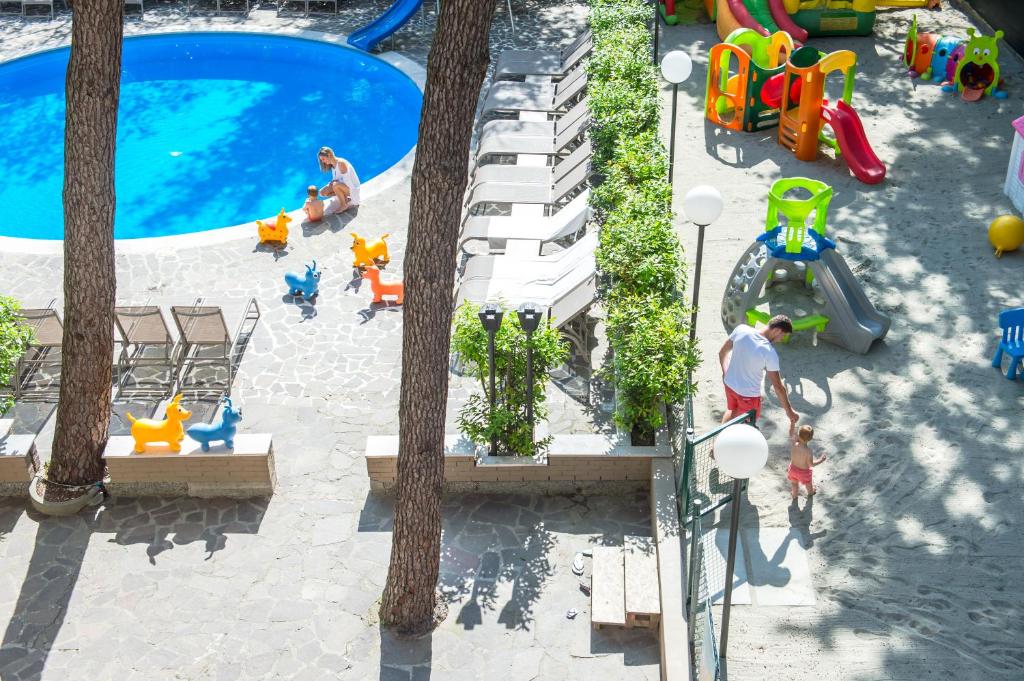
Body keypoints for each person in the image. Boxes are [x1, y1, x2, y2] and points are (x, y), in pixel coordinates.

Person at [718, 315, 799, 426]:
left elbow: (722, 352)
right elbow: (778, 387)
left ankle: (718, 435)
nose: (781, 340)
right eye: (783, 336)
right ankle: (720, 439)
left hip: (729, 385)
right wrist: (789, 411)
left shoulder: (741, 329)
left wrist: (725, 372)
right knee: (744, 425)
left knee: (733, 411)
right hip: (748, 396)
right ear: (777, 330)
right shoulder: (769, 352)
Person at [317, 146, 360, 213]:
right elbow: (338, 178)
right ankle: (344, 197)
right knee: (322, 192)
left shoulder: (341, 163)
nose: (323, 162)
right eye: (321, 160)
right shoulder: (332, 165)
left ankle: (344, 205)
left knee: (335, 185)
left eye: (323, 159)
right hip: (343, 186)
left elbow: (348, 182)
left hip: (353, 189)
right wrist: (333, 182)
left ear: (329, 155)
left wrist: (335, 184)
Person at [787, 423, 826, 498]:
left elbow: (791, 433)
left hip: (793, 470)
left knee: (794, 484)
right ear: (810, 439)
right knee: (808, 484)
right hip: (803, 473)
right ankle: (811, 492)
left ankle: (794, 495)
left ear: (798, 435)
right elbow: (811, 464)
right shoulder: (808, 451)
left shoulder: (794, 443)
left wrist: (792, 424)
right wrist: (821, 460)